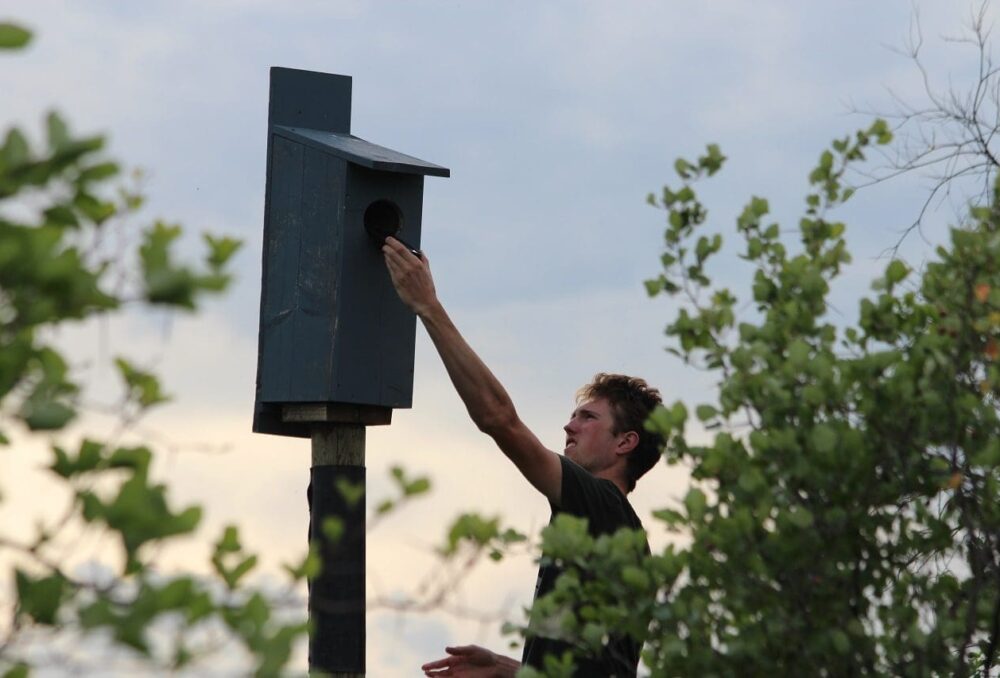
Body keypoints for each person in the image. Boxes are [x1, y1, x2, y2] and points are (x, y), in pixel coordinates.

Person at [381, 237, 663, 677]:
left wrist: (429, 308)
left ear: (625, 443)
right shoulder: (624, 537)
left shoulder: (599, 506)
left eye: (587, 418)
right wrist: (508, 668)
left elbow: (500, 419)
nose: (569, 427)